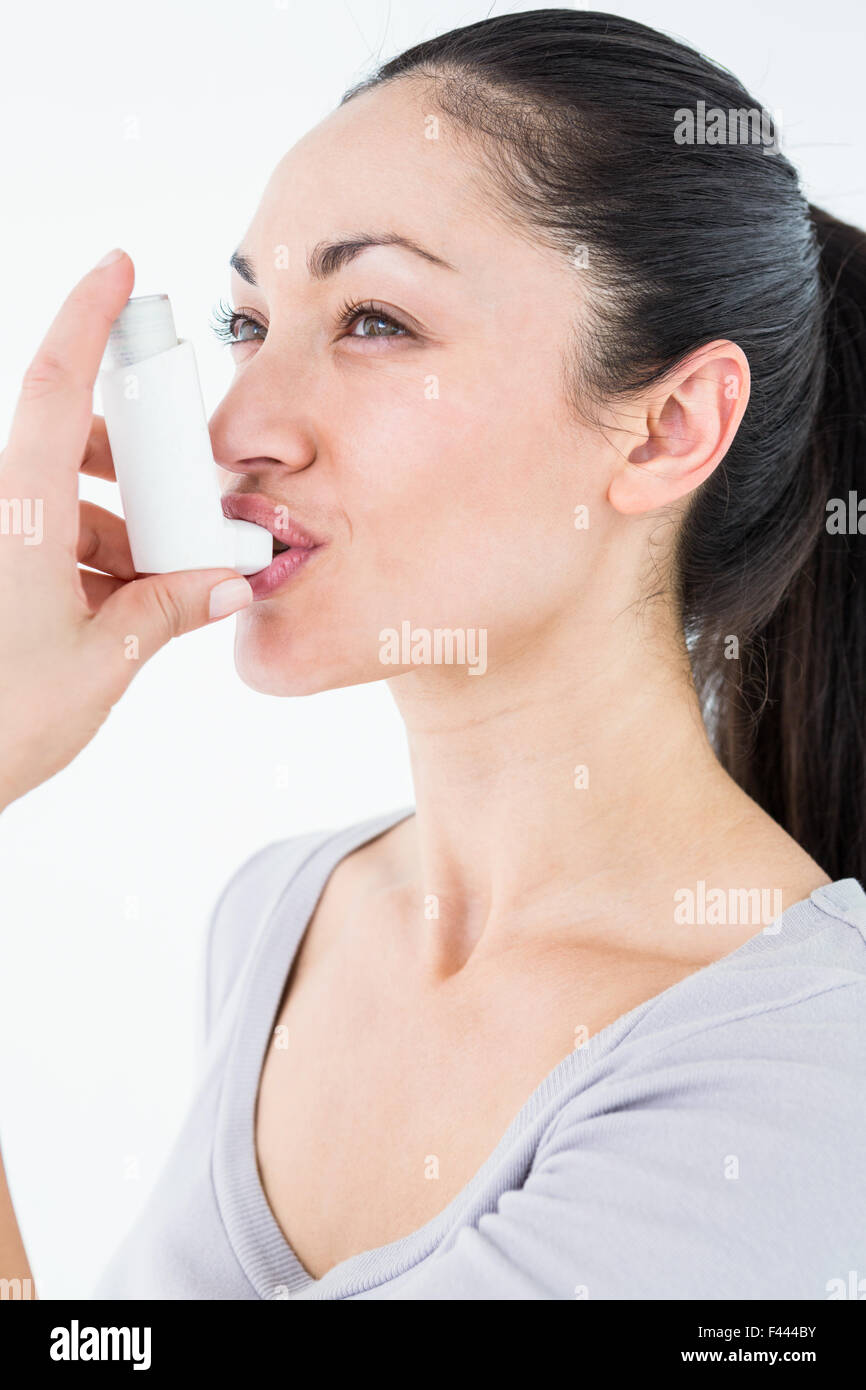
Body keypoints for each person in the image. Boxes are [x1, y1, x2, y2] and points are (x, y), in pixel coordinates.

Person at [2, 9, 865, 1301]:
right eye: (246, 323)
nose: (239, 428)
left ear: (666, 427)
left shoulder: (801, 1065)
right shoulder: (285, 914)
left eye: (373, 322)